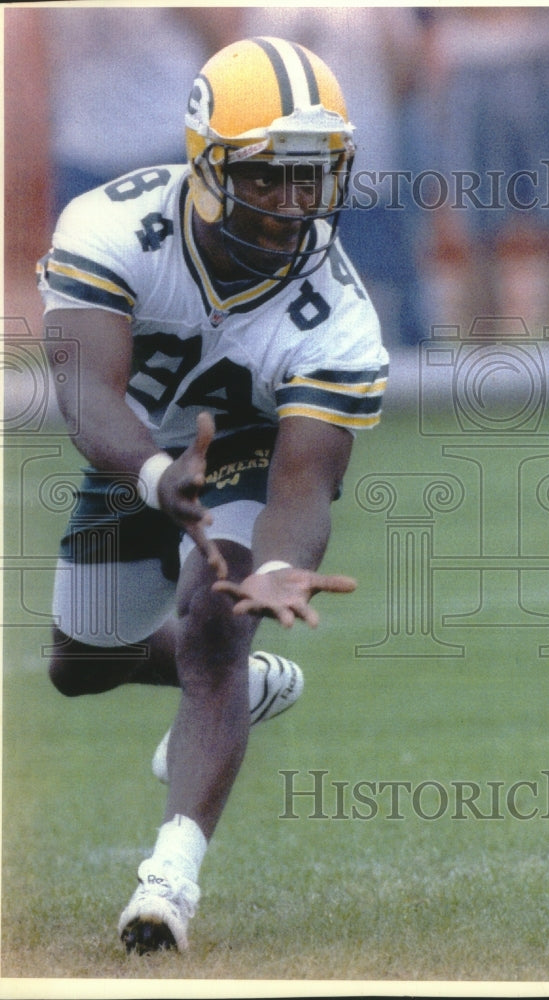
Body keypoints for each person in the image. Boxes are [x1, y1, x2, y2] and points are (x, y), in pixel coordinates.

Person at [36, 36, 388, 954]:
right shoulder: (113, 226)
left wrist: (275, 567)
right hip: (137, 445)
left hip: (248, 444)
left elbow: (304, 483)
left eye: (312, 173)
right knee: (81, 664)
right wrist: (156, 476)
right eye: (268, 173)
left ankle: (169, 883)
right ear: (207, 164)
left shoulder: (338, 316)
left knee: (218, 621)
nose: (294, 199)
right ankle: (242, 683)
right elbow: (87, 396)